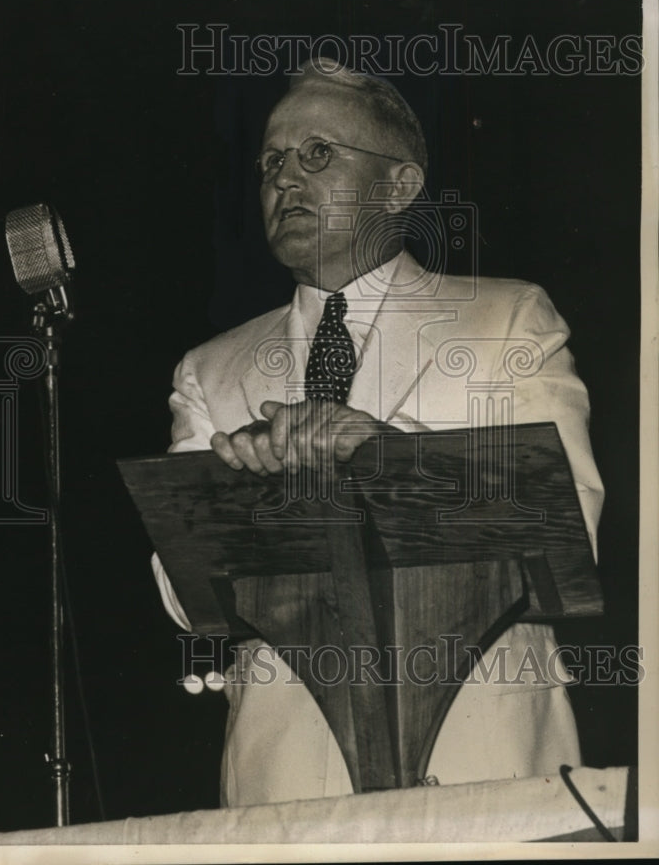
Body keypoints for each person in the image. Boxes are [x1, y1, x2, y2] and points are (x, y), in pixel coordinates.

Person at [152, 59, 604, 807]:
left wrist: (381, 451)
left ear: (401, 186)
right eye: (271, 161)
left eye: (318, 153)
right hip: (283, 785)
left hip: (482, 766)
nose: (285, 179)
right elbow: (181, 594)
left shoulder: (509, 317)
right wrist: (240, 496)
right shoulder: (212, 368)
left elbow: (567, 534)